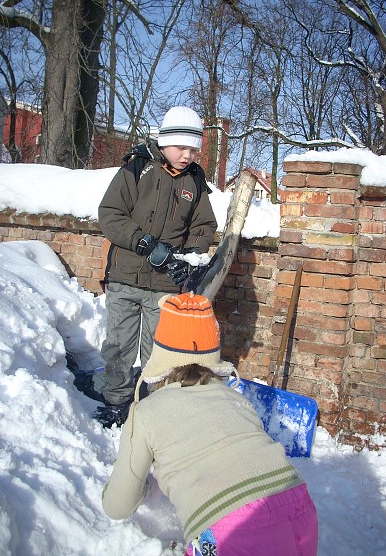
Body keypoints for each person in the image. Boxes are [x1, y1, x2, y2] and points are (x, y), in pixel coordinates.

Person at [102, 293, 318, 556]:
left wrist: (142, 487)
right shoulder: (237, 400)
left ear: (160, 356)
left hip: (230, 531)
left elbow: (117, 506)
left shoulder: (146, 412)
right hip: (299, 509)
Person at [74, 106, 217, 426]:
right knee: (119, 346)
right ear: (165, 141)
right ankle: (116, 400)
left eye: (194, 149)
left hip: (165, 284)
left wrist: (190, 256)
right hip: (126, 276)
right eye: (182, 147)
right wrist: (144, 243)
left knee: (159, 351)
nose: (188, 155)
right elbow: (110, 214)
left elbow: (204, 225)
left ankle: (150, 404)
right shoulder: (137, 167)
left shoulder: (195, 180)